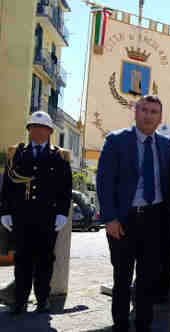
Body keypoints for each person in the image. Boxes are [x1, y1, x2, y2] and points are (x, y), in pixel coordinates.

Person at [96, 95, 170, 332]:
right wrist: (109, 218)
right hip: (123, 219)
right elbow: (104, 181)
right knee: (122, 276)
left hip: (155, 219)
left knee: (148, 277)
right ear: (135, 112)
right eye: (144, 110)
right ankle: (120, 324)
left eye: (154, 112)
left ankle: (143, 324)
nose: (148, 115)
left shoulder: (166, 145)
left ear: (160, 117)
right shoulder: (116, 140)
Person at [0, 111, 72, 315]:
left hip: (47, 219)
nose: (38, 131)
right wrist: (5, 211)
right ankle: (20, 301)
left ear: (50, 131)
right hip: (22, 218)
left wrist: (61, 213)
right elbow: (7, 186)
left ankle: (42, 300)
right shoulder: (17, 154)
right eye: (34, 127)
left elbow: (65, 189)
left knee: (45, 261)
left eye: (43, 128)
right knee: (22, 260)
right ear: (29, 130)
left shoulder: (59, 156)